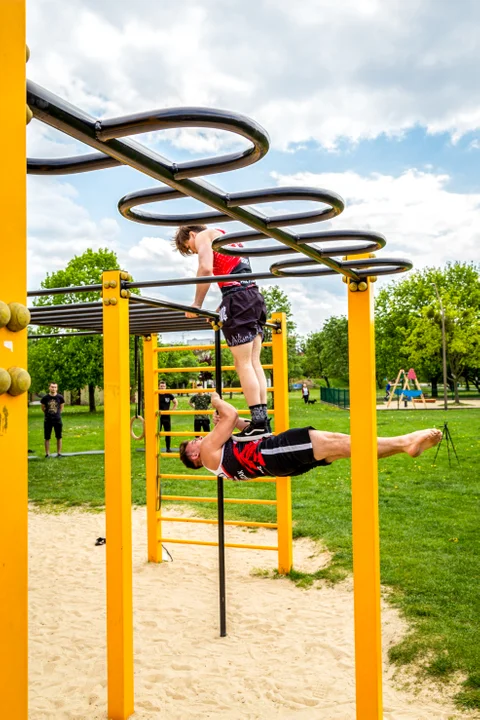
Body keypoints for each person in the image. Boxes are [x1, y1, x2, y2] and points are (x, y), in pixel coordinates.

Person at [179, 393, 442, 480]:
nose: (200, 439)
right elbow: (230, 411)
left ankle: (404, 445)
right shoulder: (207, 454)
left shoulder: (219, 461)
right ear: (194, 456)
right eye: (196, 442)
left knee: (344, 447)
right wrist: (213, 399)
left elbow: (246, 430)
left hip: (276, 460)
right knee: (342, 442)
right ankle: (405, 441)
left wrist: (234, 423)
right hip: (273, 452)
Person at [174, 224, 269, 442]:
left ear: (191, 234)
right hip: (253, 297)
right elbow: (237, 278)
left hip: (238, 300)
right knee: (254, 362)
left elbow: (206, 269)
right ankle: (261, 421)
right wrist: (221, 308)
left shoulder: (204, 236)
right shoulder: (228, 236)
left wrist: (197, 304)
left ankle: (258, 423)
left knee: (242, 364)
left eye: (190, 248)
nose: (195, 251)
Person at [40, 382, 65, 458]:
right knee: (47, 437)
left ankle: (59, 453)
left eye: (55, 387)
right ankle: (47, 454)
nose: (53, 388)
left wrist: (57, 414)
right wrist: (48, 414)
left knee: (59, 436)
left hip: (57, 420)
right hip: (48, 420)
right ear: (49, 388)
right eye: (52, 387)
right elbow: (43, 408)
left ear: (57, 388)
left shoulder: (60, 397)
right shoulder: (45, 398)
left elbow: (61, 408)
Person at [158, 380, 178, 453]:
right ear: (159, 387)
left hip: (166, 416)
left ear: (165, 387)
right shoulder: (156, 394)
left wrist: (172, 411)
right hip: (158, 416)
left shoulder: (168, 394)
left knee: (168, 433)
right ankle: (155, 448)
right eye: (161, 386)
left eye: (163, 386)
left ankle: (168, 448)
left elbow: (176, 402)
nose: (162, 387)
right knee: (157, 433)